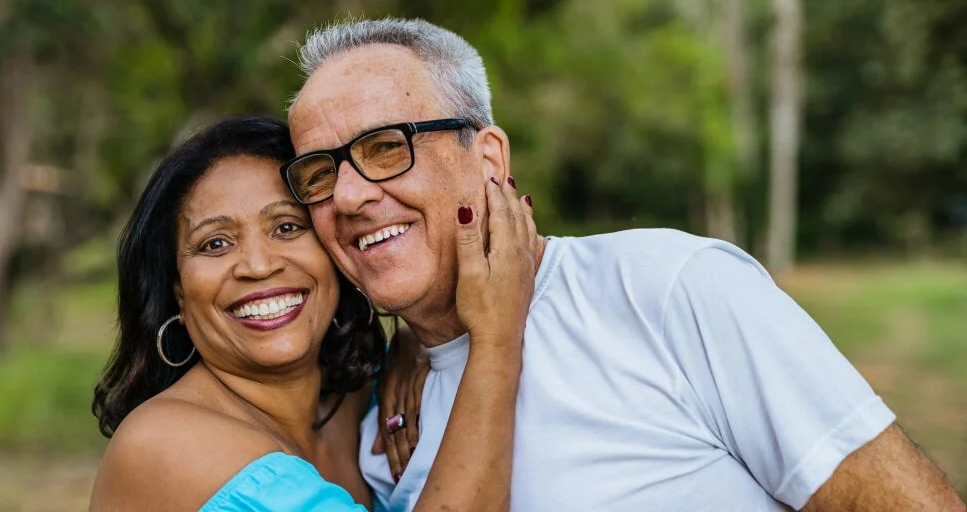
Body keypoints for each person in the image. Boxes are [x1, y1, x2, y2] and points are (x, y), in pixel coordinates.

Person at [284, 18, 967, 512]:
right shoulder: (378, 415)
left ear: (488, 159)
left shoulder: (666, 287)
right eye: (318, 172)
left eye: (384, 149)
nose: (348, 197)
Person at [89, 116, 539, 511]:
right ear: (179, 294)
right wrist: (496, 338)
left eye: (287, 227)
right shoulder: (165, 444)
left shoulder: (360, 398)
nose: (259, 265)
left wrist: (419, 341)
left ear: (336, 249)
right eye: (215, 244)